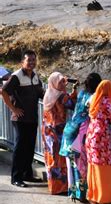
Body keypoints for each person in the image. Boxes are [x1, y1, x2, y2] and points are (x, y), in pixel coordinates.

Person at [1, 50, 44, 187]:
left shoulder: (36, 76)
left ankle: (27, 174)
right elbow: (3, 91)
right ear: (22, 62)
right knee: (20, 148)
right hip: (20, 119)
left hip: (32, 117)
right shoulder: (16, 76)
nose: (31, 62)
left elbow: (40, 93)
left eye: (33, 60)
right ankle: (16, 178)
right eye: (28, 60)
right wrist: (13, 109)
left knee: (30, 147)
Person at [59, 73, 102, 202]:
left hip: (70, 128)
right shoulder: (94, 97)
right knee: (80, 164)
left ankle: (72, 192)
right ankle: (81, 194)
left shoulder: (82, 93)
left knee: (70, 163)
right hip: (80, 132)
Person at [84, 80, 111, 204]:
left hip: (91, 135)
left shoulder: (94, 100)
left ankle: (92, 198)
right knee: (103, 169)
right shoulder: (105, 101)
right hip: (101, 137)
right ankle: (103, 201)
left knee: (92, 167)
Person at [42, 72, 77, 194]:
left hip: (47, 131)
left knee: (51, 158)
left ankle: (53, 187)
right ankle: (61, 187)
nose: (63, 84)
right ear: (55, 83)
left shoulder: (49, 93)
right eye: (61, 82)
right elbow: (73, 105)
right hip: (58, 131)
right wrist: (74, 90)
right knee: (59, 159)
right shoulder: (61, 96)